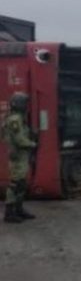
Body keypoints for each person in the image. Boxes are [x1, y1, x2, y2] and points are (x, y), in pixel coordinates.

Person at [2, 92, 38, 224]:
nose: (26, 105)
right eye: (25, 103)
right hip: (18, 154)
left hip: (21, 154)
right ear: (20, 104)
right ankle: (9, 213)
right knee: (15, 184)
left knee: (21, 183)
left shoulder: (17, 117)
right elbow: (19, 140)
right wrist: (32, 144)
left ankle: (18, 209)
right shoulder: (15, 119)